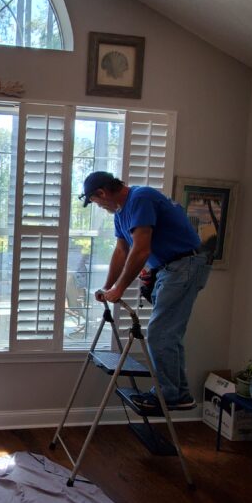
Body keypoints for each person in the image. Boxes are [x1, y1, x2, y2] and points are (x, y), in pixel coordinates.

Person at [79, 171, 211, 411]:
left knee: (160, 332)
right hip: (170, 269)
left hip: (184, 265)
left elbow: (140, 250)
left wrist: (120, 288)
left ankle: (171, 395)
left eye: (96, 201)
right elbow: (122, 251)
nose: (98, 206)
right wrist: (108, 286)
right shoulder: (120, 213)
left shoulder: (141, 198)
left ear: (102, 193)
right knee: (169, 334)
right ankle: (178, 393)